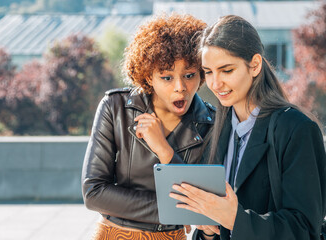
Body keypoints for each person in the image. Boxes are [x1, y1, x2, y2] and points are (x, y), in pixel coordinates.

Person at [169, 15, 326, 240]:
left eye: (226, 70)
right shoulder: (216, 133)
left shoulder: (297, 130)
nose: (215, 83)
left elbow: (304, 229)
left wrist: (235, 219)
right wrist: (207, 231)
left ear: (254, 65)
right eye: (209, 72)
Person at [81, 14, 214, 240]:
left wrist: (165, 151)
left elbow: (207, 203)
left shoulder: (212, 123)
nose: (180, 87)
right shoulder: (116, 108)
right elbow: (94, 192)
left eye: (189, 75)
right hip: (114, 235)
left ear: (201, 73)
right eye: (166, 77)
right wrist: (177, 210)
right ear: (148, 76)